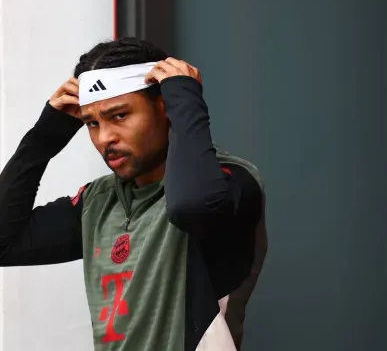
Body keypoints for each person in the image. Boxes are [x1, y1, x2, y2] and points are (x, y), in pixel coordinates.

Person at [0, 37, 266, 351]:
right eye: (91, 123)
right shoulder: (99, 201)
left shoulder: (228, 181)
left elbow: (192, 206)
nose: (105, 138)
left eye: (119, 116)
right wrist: (43, 139)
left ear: (165, 106)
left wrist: (186, 103)